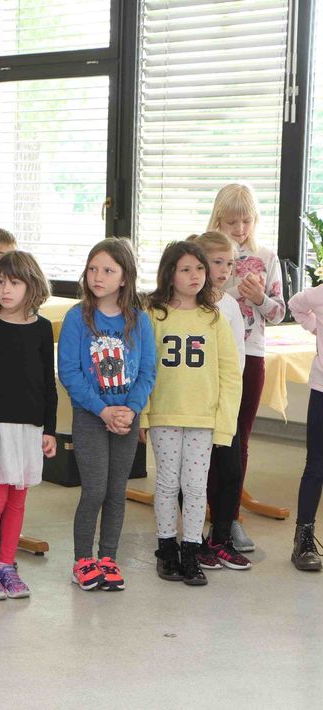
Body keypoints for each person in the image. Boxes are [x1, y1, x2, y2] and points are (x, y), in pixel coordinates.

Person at [58, 239, 156, 591]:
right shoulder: (77, 317)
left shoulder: (139, 321)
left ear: (124, 278)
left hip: (126, 419)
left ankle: (108, 558)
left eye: (108, 270)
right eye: (92, 269)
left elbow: (147, 371)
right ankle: (83, 560)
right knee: (95, 489)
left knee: (116, 491)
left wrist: (131, 409)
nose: (98, 277)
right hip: (90, 417)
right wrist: (102, 410)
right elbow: (69, 372)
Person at [142, 242, 241, 587]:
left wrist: (225, 424)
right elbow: (144, 370)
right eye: (185, 269)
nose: (195, 275)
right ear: (169, 274)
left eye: (199, 268)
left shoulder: (213, 318)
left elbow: (230, 375)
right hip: (165, 415)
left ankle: (191, 551)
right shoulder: (153, 316)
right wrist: (143, 416)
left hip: (203, 419)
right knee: (167, 484)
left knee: (196, 487)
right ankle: (167, 549)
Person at [0, 251, 57, 600]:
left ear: (31, 286)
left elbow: (48, 383)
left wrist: (49, 429)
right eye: (0, 282)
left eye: (14, 283)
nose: (5, 289)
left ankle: (6, 565)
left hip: (29, 430)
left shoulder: (42, 329)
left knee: (18, 501)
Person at [209, 184, 286, 552]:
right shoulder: (208, 254)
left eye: (246, 221)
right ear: (217, 220)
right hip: (210, 355)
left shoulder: (267, 257)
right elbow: (195, 297)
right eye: (231, 222)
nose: (239, 229)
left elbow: (279, 312)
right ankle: (206, 507)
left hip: (251, 354)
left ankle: (231, 517)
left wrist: (259, 298)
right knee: (208, 434)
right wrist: (233, 290)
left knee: (239, 436)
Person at [185, 232, 251, 571]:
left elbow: (237, 358)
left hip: (223, 404)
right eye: (217, 262)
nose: (225, 270)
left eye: (230, 263)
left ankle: (220, 538)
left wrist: (228, 400)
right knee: (191, 475)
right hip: (191, 407)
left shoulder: (230, 306)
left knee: (230, 471)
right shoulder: (184, 306)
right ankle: (191, 540)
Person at [287, 282, 323, 571]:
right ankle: (303, 540)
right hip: (322, 390)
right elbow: (295, 305)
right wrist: (315, 327)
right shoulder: (319, 293)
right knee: (316, 465)